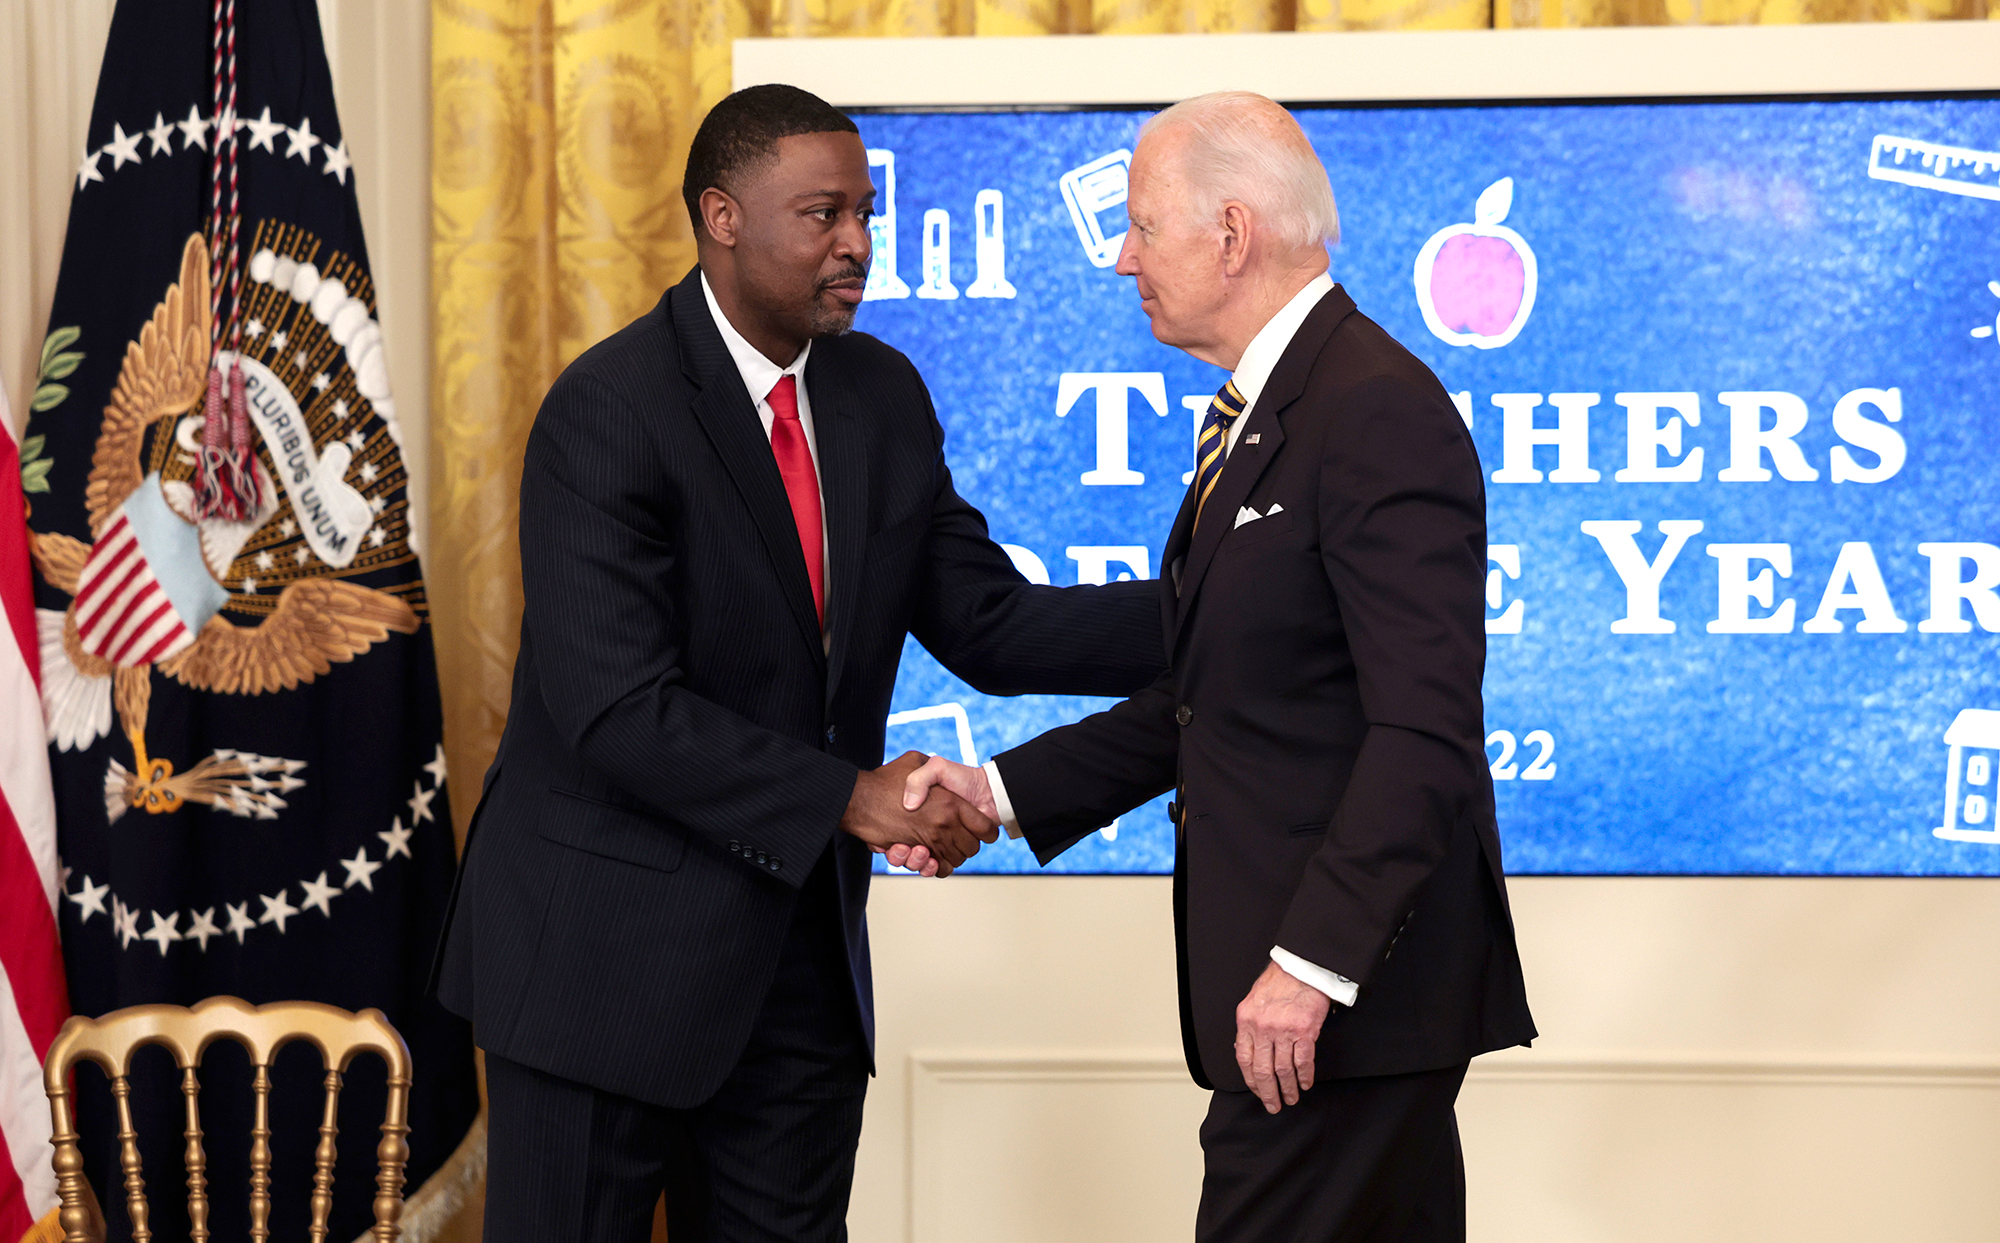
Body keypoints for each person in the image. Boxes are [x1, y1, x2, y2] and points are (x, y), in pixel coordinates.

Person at [431, 84, 1163, 1243]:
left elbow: (990, 624)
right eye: (821, 214)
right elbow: (618, 708)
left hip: (798, 981)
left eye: (863, 213)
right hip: (596, 976)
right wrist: (853, 800)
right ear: (721, 218)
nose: (856, 244)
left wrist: (1221, 604)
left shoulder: (880, 394)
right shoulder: (606, 412)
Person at [898, 92, 1536, 1242]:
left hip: (1337, 1012)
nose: (1122, 258)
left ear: (1230, 234)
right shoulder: (1273, 410)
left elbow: (1422, 734)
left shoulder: (1373, 408)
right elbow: (1220, 693)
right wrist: (994, 793)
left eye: (1141, 226)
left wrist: (1311, 964)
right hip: (1306, 1018)